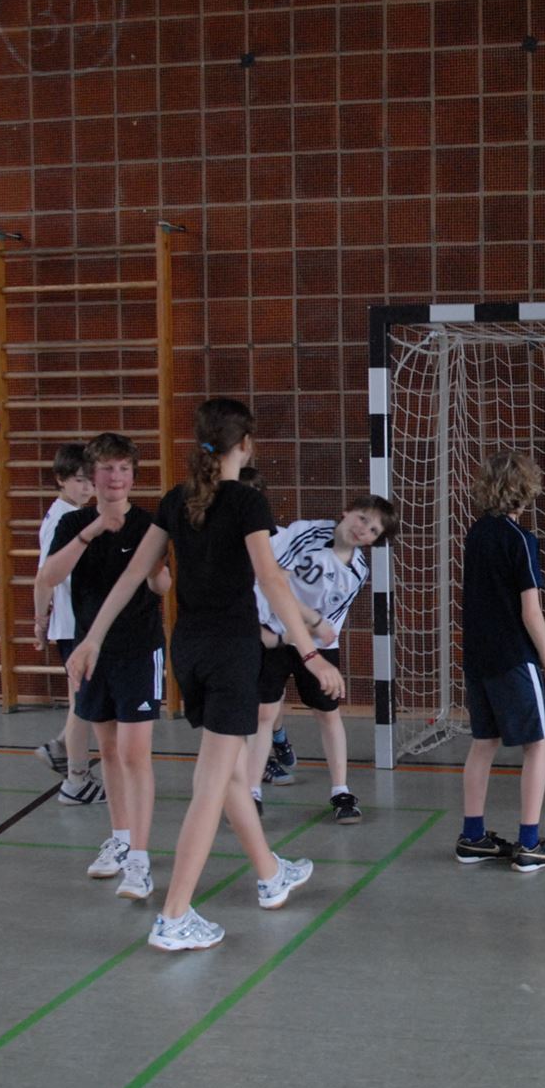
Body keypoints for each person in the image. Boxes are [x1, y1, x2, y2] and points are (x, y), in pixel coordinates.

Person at [68, 399, 343, 952]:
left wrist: (91, 636)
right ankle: (174, 917)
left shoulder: (176, 499)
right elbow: (271, 580)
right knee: (211, 782)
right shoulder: (246, 501)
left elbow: (133, 574)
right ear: (247, 444)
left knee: (231, 773)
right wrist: (311, 653)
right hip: (229, 652)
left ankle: (271, 875)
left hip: (188, 651)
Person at [36, 433, 170, 899]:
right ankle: (120, 838)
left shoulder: (149, 524)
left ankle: (140, 859)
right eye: (108, 469)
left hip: (138, 649)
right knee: (109, 751)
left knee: (135, 753)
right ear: (92, 476)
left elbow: (161, 587)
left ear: (133, 475)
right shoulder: (72, 522)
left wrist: (156, 574)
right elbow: (50, 576)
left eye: (124, 469)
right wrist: (93, 530)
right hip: (90, 651)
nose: (116, 477)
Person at [251, 493, 399, 826]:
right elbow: (273, 580)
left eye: (373, 530)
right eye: (362, 518)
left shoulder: (356, 572)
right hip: (276, 631)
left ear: (373, 542)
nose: (363, 529)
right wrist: (304, 623)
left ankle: (341, 790)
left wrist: (313, 631)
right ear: (346, 512)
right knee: (265, 712)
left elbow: (328, 624)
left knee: (328, 712)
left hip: (315, 643)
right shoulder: (307, 533)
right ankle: (252, 792)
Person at [453, 450, 545, 873]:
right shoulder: (520, 539)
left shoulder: (476, 534)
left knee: (484, 742)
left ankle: (472, 837)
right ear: (526, 489)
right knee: (537, 744)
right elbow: (530, 612)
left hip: (477, 656)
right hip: (513, 657)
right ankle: (530, 844)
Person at [32, 443, 101, 803]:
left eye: (90, 480)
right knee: (81, 703)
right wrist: (40, 620)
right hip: (73, 624)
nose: (87, 488)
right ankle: (76, 780)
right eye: (79, 480)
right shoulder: (63, 520)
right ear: (60, 479)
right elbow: (45, 577)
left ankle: (59, 748)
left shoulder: (74, 515)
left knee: (84, 699)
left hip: (80, 622)